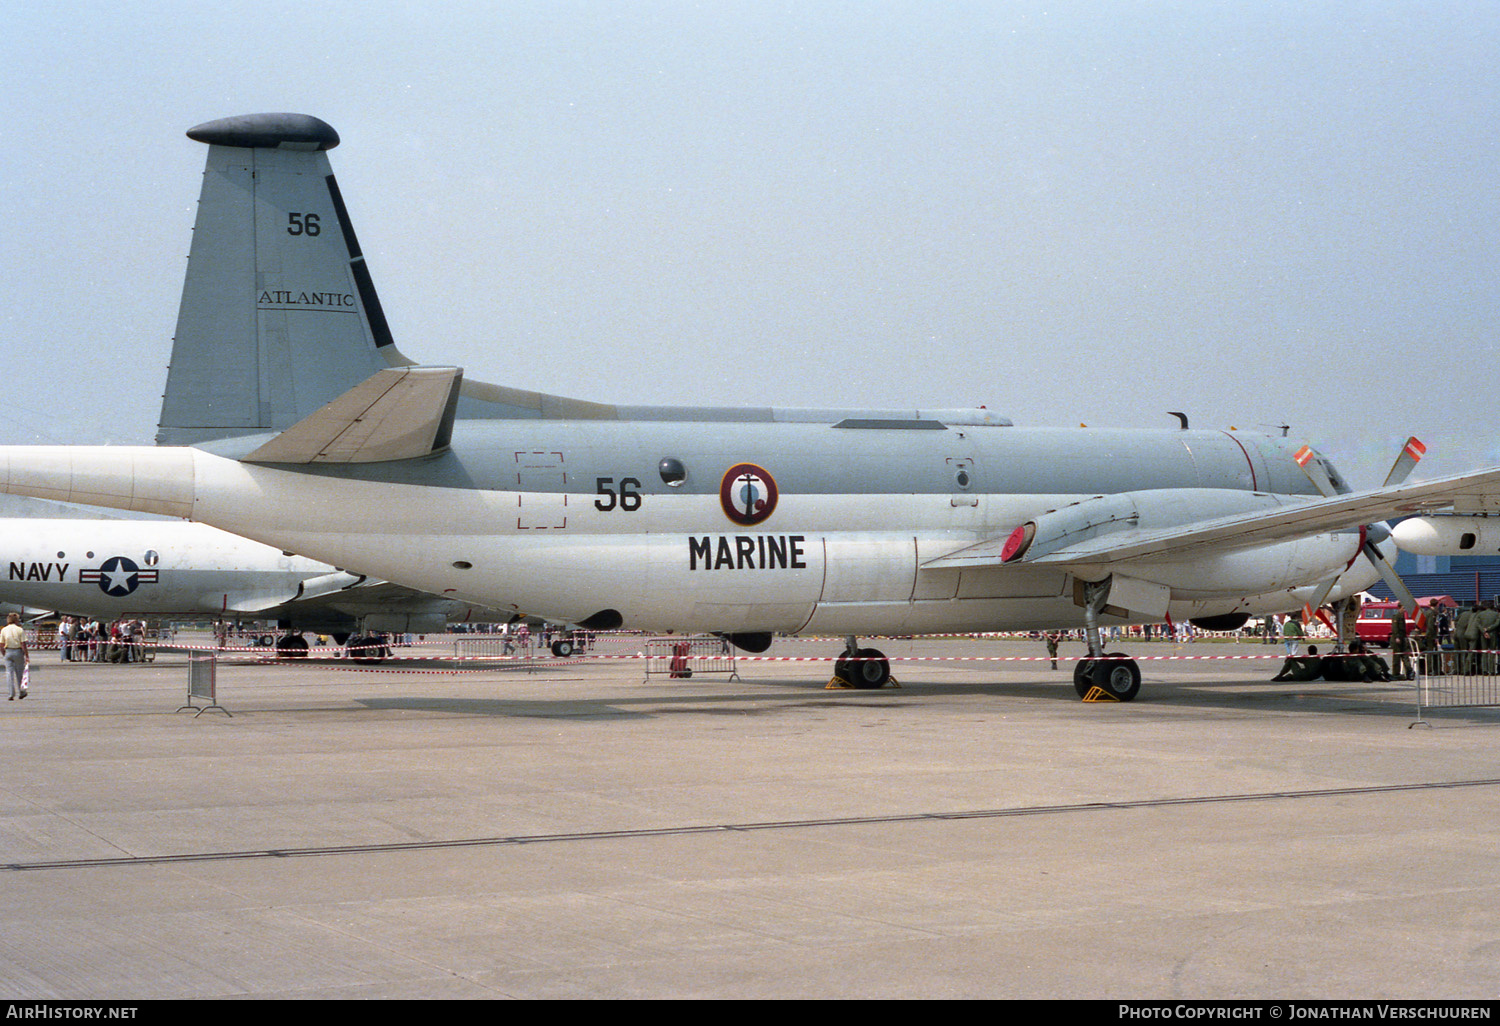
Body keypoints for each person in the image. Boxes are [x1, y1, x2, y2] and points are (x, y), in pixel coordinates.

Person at [2, 612, 29, 700]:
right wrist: (26, 655)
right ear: (16, 620)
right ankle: (21, 691)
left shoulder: (4, 630)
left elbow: (1, 644)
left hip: (8, 651)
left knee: (9, 673)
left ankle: (11, 693)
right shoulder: (19, 630)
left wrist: (4, 654)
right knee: (19, 673)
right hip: (17, 651)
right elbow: (23, 644)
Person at [1389, 608, 1413, 680]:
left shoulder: (1402, 616)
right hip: (1397, 639)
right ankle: (1396, 673)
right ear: (1399, 608)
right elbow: (1395, 628)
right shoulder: (1396, 616)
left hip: (1402, 638)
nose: (1405, 609)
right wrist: (1397, 637)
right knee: (1397, 657)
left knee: (1405, 655)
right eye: (1403, 608)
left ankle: (1409, 671)